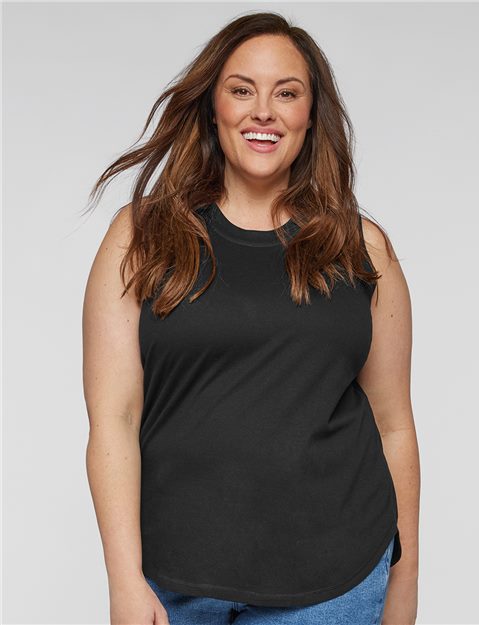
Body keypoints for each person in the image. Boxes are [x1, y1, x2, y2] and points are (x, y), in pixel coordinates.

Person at [83, 11, 420, 625]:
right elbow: (114, 420)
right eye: (242, 90)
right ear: (212, 107)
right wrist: (123, 581)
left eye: (286, 93)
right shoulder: (142, 235)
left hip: (335, 585)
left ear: (311, 115)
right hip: (172, 579)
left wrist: (405, 582)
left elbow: (393, 423)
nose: (263, 112)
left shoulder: (362, 249)